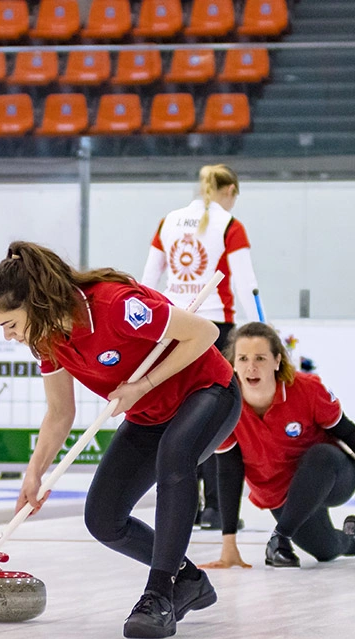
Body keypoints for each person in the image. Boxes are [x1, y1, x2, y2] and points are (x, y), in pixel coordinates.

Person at [0, 241, 241, 639]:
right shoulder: (48, 339)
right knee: (103, 518)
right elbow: (59, 413)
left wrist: (142, 385)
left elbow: (205, 333)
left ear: (34, 303)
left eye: (10, 324)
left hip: (209, 392)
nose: (9, 336)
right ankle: (187, 580)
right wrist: (34, 473)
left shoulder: (114, 306)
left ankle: (158, 596)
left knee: (175, 458)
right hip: (150, 415)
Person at [207, 323, 355, 570]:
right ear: (233, 364)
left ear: (277, 361)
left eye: (260, 358)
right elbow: (229, 470)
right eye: (243, 358)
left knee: (320, 454)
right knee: (325, 551)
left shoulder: (307, 389)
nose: (251, 367)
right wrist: (229, 543)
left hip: (331, 475)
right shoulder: (224, 405)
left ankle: (280, 537)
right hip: (280, 491)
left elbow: (349, 432)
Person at [142, 164, 260, 531]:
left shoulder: (169, 221)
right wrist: (262, 330)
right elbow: (246, 285)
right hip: (216, 328)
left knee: (178, 416)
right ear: (230, 192)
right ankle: (216, 508)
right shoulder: (230, 224)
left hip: (175, 325)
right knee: (214, 418)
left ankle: (184, 505)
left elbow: (148, 281)